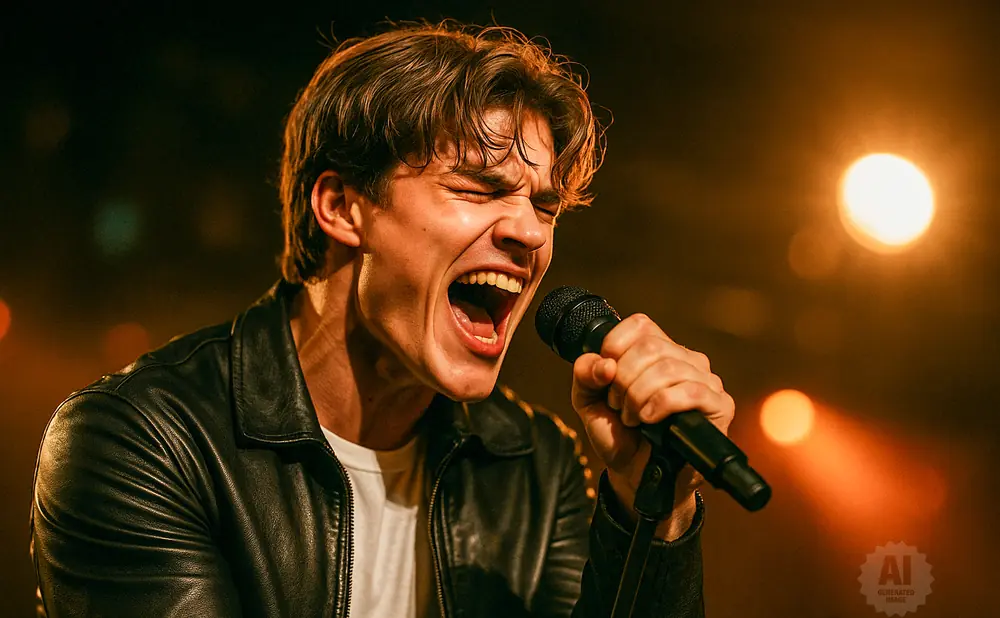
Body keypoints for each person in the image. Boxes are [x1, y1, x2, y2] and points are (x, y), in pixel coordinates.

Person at [31, 22, 735, 618]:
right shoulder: (144, 439)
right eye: (477, 188)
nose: (529, 231)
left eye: (545, 206)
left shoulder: (532, 464)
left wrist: (654, 505)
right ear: (341, 207)